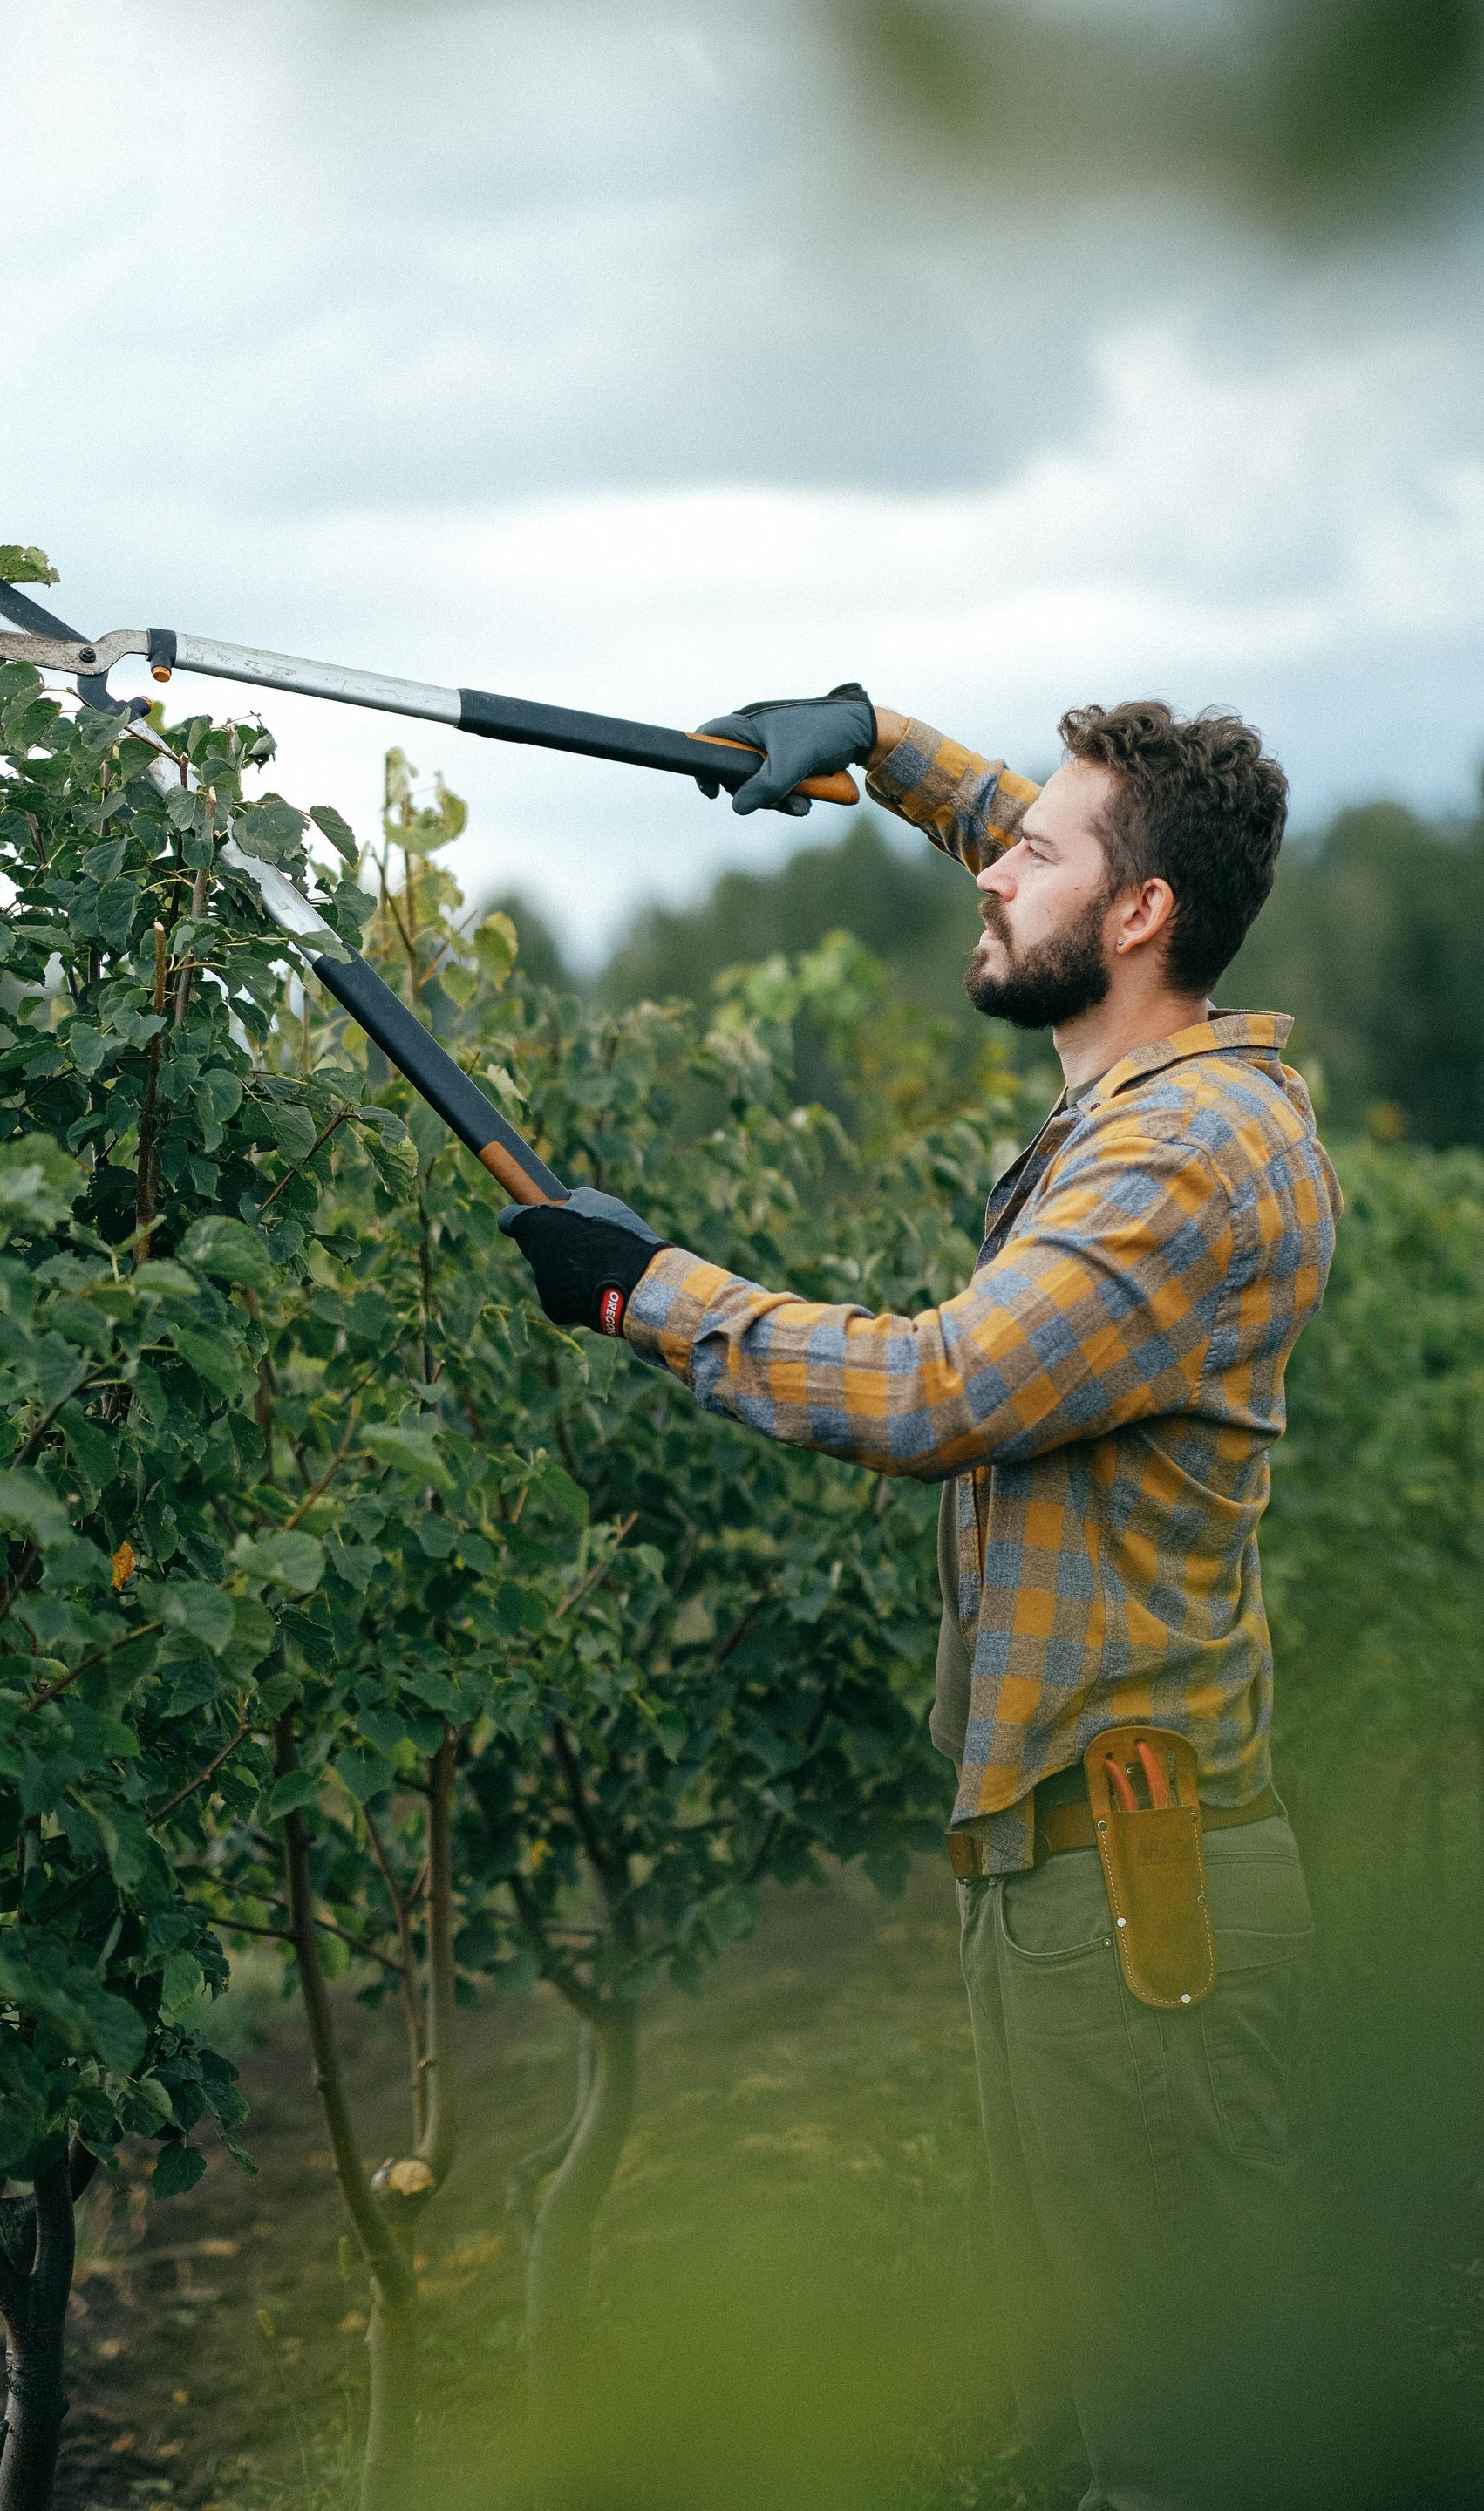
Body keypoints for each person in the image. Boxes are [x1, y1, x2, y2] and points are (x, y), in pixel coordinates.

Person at [499, 690, 1342, 2511]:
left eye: (1034, 853)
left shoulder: (1185, 1157)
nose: (993, 867)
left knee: (1185, 2446)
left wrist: (652, 1292)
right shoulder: (1154, 1065)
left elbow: (936, 1393)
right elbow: (1023, 843)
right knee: (1098, 2419)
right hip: (1073, 1880)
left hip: (1130, 1903)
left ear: (1137, 918)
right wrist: (873, 740)